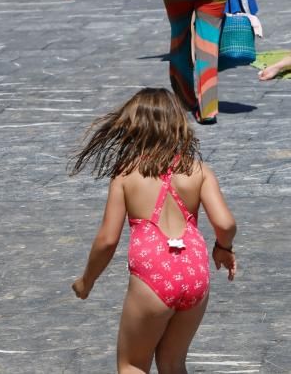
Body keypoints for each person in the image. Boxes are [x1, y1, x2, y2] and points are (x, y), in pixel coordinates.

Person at [69, 87, 237, 374]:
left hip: (153, 276)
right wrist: (224, 248)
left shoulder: (126, 174)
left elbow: (107, 241)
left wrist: (87, 280)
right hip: (195, 274)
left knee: (132, 364)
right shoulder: (199, 171)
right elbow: (225, 224)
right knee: (173, 364)